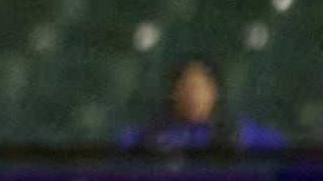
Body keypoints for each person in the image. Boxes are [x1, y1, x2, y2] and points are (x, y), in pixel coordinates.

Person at [117, 57, 287, 154]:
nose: (193, 95)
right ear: (173, 93)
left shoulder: (237, 133)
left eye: (199, 88)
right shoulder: (146, 136)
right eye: (186, 87)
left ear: (213, 93)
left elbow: (278, 146)